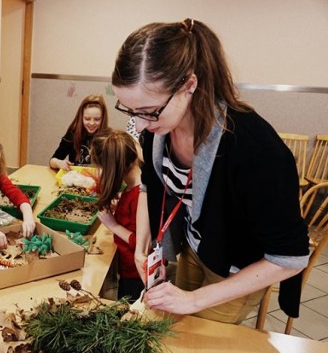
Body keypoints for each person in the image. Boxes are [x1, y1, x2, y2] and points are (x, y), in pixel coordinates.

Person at [111, 18, 309, 323]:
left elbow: (290, 258)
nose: (138, 125)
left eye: (148, 111)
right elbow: (150, 186)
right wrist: (143, 248)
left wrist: (193, 300)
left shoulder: (255, 148)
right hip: (198, 249)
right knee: (175, 331)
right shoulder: (157, 129)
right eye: (129, 111)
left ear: (189, 85)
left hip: (238, 269)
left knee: (193, 345)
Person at [91, 128, 144, 301]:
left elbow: (142, 243)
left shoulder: (139, 196)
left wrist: (113, 225)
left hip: (136, 274)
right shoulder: (134, 188)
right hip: (129, 268)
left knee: (128, 309)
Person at [49, 94, 109, 171]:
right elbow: (52, 160)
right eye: (87, 119)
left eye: (97, 119)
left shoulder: (108, 137)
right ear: (81, 117)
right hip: (76, 179)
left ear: (103, 119)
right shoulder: (72, 134)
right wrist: (58, 163)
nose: (91, 123)